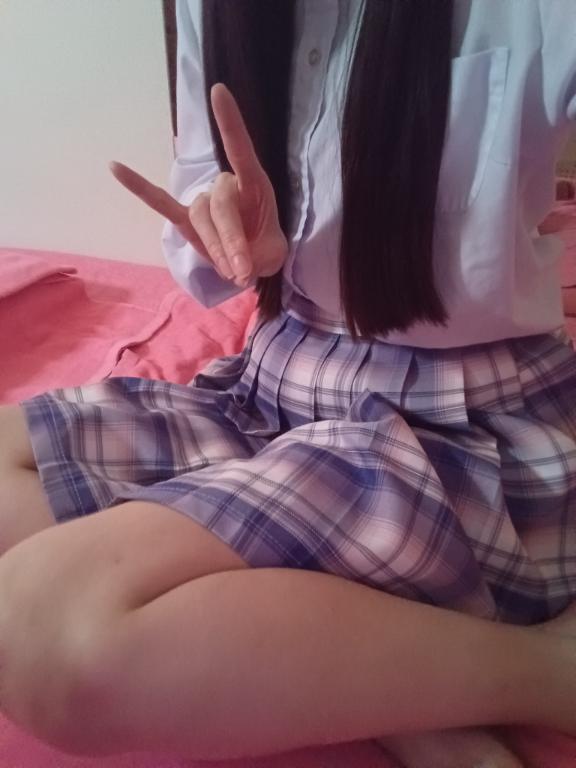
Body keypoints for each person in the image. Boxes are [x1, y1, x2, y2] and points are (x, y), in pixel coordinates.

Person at [1, 1, 575, 766]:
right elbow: (202, 181)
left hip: (449, 424)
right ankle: (382, 680)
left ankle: (548, 671)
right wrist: (225, 229)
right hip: (271, 385)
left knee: (43, 633)